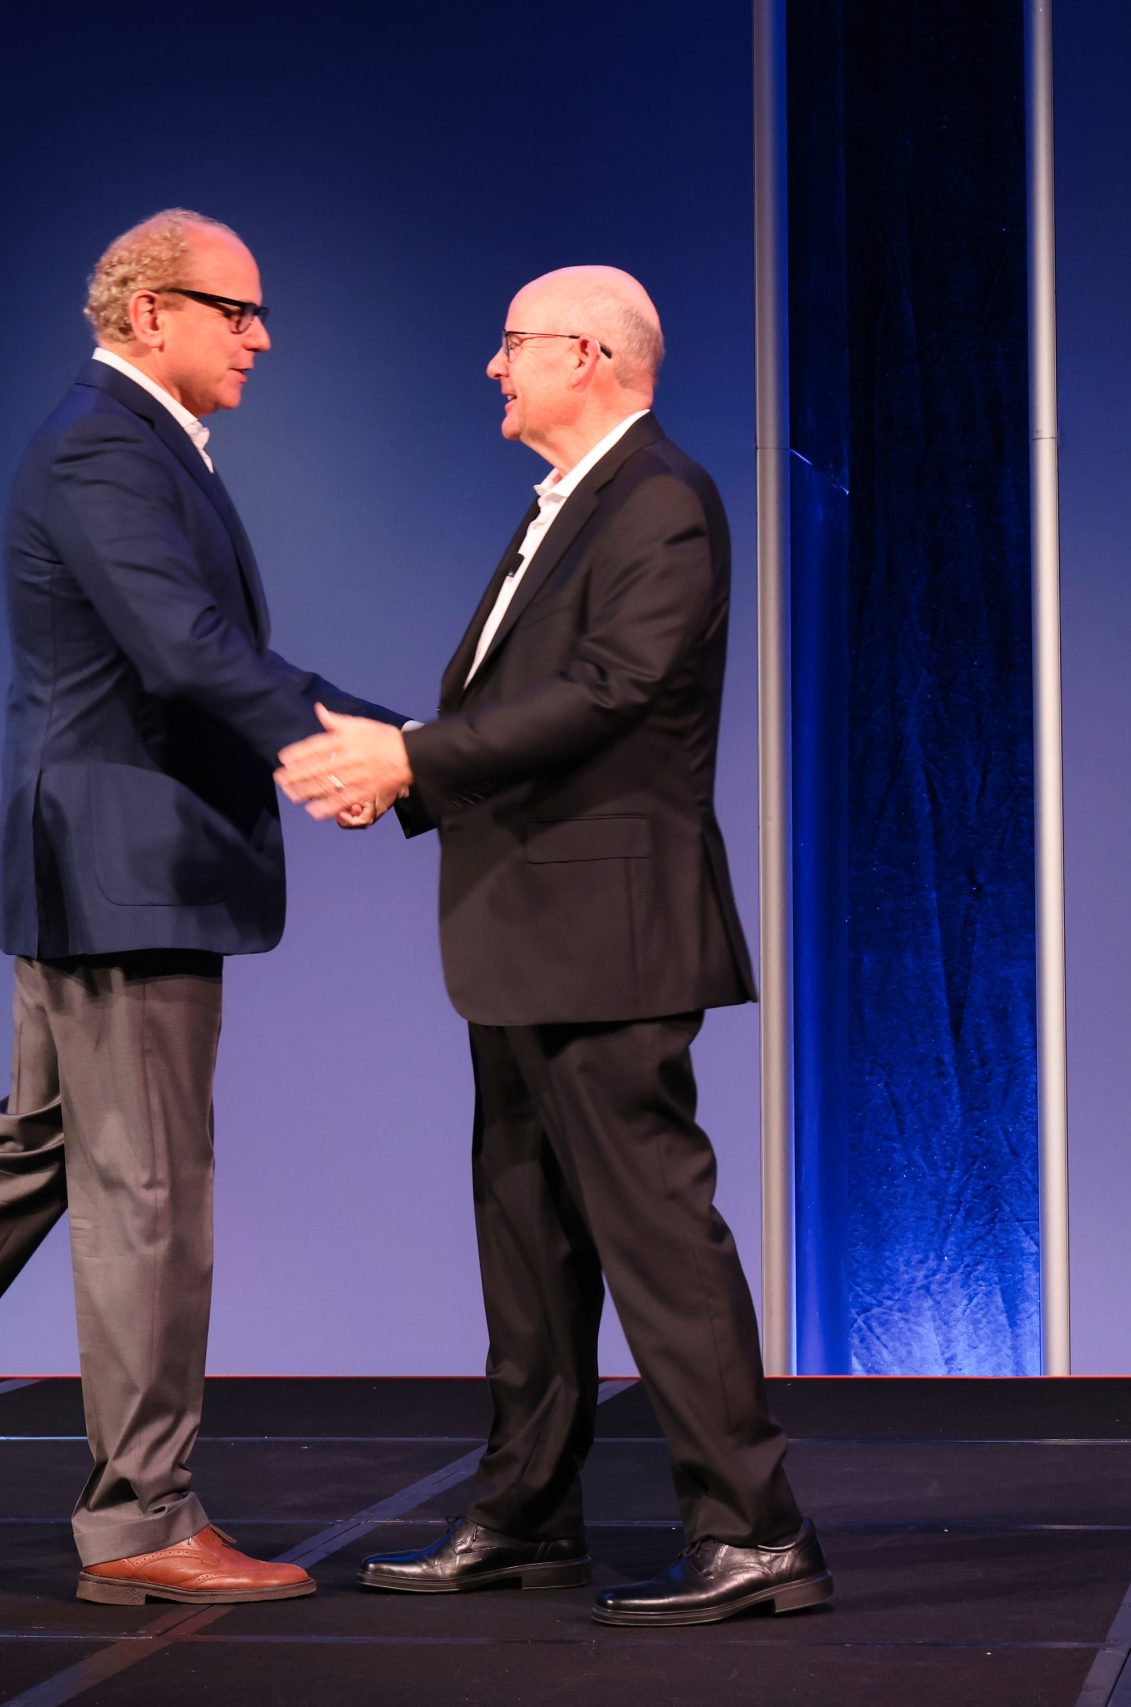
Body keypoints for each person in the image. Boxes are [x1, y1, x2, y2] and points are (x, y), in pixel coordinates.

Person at [0, 209, 401, 1607]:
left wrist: (402, 744)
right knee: (149, 1195)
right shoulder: (107, 441)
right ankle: (142, 1519)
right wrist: (349, 749)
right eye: (240, 310)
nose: (263, 336)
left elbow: (198, 648)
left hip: (101, 863)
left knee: (39, 1151)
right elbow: (184, 648)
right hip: (124, 872)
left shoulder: (137, 444)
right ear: (150, 313)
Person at [276, 266, 828, 1627]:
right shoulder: (569, 507)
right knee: (524, 1234)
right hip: (529, 929)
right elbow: (521, 705)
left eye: (513, 343)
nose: (492, 367)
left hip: (611, 932)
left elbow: (612, 693)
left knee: (653, 1233)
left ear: (590, 356)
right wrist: (398, 764)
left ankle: (756, 1533)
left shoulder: (659, 501)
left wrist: (407, 759)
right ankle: (525, 1521)